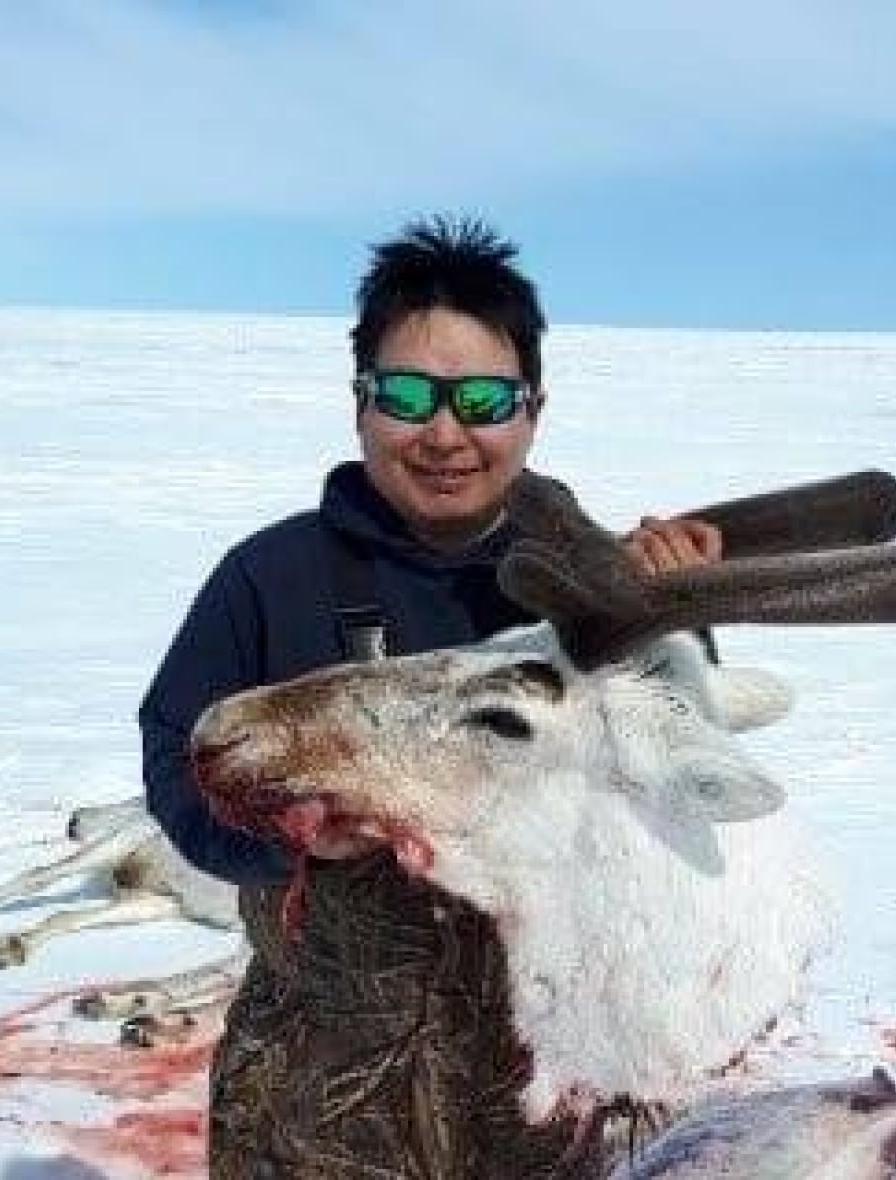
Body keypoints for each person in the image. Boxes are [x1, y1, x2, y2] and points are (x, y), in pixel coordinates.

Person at [139, 217, 722, 1178]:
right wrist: (282, 838)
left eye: (485, 399)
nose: (446, 434)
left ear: (531, 410)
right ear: (360, 403)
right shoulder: (271, 578)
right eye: (408, 394)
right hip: (317, 1102)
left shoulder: (588, 599)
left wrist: (671, 621)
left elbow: (673, 792)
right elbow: (174, 756)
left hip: (551, 1096)